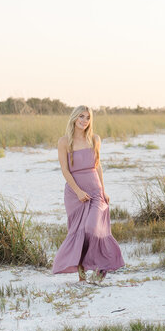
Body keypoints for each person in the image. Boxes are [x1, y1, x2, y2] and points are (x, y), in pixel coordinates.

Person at [51, 105, 124, 281]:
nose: (84, 121)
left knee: (93, 228)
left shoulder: (95, 139)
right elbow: (65, 170)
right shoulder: (64, 142)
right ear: (74, 118)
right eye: (81, 117)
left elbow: (97, 166)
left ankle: (102, 266)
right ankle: (82, 272)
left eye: (88, 117)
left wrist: (104, 191)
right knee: (80, 231)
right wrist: (78, 192)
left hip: (95, 189)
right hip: (75, 193)